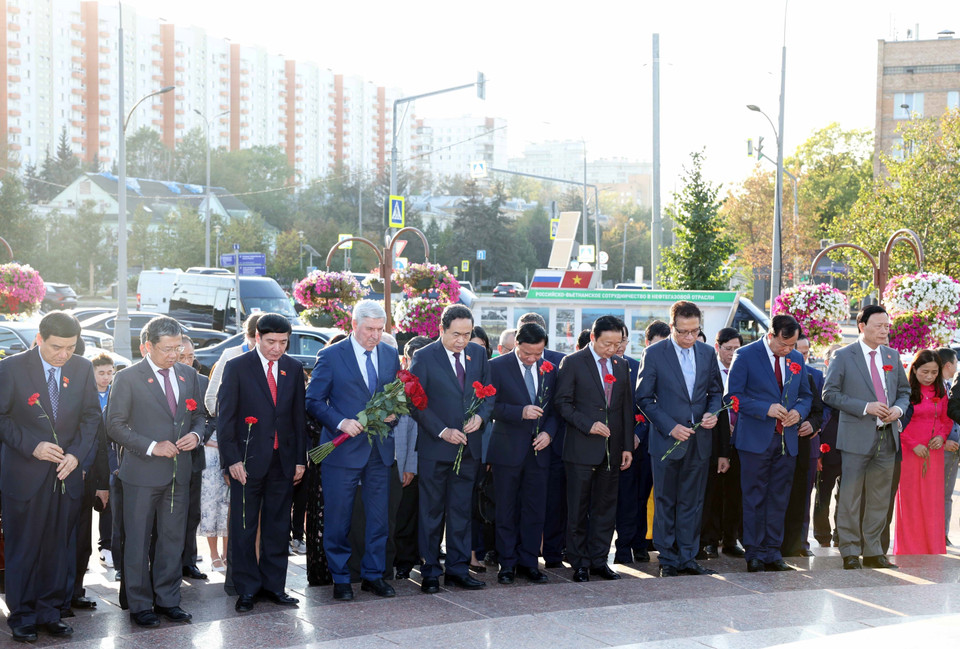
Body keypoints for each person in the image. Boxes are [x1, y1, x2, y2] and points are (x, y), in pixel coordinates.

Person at [0, 312, 101, 642]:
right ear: (40, 339)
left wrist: (76, 455)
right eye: (57, 347)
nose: (64, 355)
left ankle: (49, 611)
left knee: (59, 548)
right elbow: (2, 418)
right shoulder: (11, 368)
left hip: (66, 475)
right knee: (24, 548)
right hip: (25, 475)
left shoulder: (82, 368)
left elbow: (90, 418)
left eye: (71, 348)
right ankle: (22, 614)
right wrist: (33, 446)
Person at [106, 316, 206, 627]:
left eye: (178, 347)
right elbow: (114, 426)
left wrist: (197, 435)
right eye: (167, 349)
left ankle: (168, 600)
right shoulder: (128, 378)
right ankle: (140, 606)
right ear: (147, 346)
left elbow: (200, 416)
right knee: (136, 540)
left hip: (179, 472)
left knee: (173, 540)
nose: (174, 355)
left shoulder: (188, 375)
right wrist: (151, 446)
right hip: (141, 473)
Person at [306, 300, 400, 601]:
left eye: (380, 329)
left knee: (378, 518)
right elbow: (313, 401)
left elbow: (393, 395)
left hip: (379, 451)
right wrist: (341, 421)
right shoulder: (331, 356)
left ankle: (374, 575)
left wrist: (393, 413)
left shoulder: (389, 353)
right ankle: (341, 578)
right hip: (342, 451)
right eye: (369, 329)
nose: (375, 335)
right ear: (354, 325)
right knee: (339, 517)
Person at [218, 313, 306, 613]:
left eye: (283, 342)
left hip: (283, 463)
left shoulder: (293, 369)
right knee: (244, 528)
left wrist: (299, 459)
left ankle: (274, 587)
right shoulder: (237, 367)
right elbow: (225, 419)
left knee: (277, 527)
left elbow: (297, 417)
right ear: (257, 337)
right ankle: (246, 589)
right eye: (271, 342)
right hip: (247, 464)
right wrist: (230, 461)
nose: (277, 348)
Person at [409, 304, 494, 593]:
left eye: (467, 334)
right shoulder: (423, 357)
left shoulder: (479, 353)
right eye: (456, 334)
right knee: (431, 513)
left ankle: (458, 569)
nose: (461, 340)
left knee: (461, 511)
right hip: (436, 448)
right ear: (441, 330)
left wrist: (481, 417)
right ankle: (431, 570)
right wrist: (442, 431)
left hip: (469, 449)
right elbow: (415, 401)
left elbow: (489, 393)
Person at [636, 302, 722, 578]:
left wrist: (711, 413)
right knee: (665, 501)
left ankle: (688, 556)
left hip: (699, 441)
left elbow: (716, 392)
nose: (689, 338)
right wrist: (669, 427)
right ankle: (668, 558)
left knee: (692, 501)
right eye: (683, 332)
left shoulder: (708, 353)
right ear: (672, 326)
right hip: (666, 441)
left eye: (694, 331)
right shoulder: (654, 354)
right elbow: (644, 398)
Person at [822, 305, 910, 570]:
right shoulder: (843, 356)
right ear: (862, 326)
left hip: (887, 435)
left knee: (880, 496)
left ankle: (873, 551)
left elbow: (904, 392)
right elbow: (829, 394)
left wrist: (898, 409)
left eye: (887, 326)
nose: (885, 330)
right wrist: (865, 407)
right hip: (855, 435)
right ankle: (849, 550)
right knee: (850, 495)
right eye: (879, 326)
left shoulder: (892, 356)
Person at [728, 315, 811, 572]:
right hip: (754, 439)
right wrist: (766, 408)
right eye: (784, 345)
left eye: (792, 345)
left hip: (786, 439)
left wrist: (799, 411)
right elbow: (733, 397)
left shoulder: (796, 358)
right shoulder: (745, 355)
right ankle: (753, 552)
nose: (788, 350)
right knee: (754, 496)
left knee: (779, 496)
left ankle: (773, 551)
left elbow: (806, 396)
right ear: (771, 335)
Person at [555, 315, 633, 582]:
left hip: (611, 449)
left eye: (617, 344)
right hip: (581, 448)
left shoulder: (621, 366)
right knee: (577, 508)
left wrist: (625, 446)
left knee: (605, 508)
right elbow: (563, 404)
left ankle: (600, 560)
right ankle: (578, 562)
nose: (612, 350)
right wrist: (588, 425)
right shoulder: (573, 363)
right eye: (606, 344)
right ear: (592, 338)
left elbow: (625, 408)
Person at [488, 322, 558, 584]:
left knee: (534, 508)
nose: (533, 359)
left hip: (540, 450)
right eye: (528, 353)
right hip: (507, 448)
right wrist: (519, 412)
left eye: (538, 353)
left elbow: (555, 408)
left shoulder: (549, 367)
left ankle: (529, 562)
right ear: (516, 344)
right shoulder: (497, 366)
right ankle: (506, 564)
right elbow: (489, 406)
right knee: (506, 508)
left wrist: (548, 433)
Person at [515, 312, 567, 569]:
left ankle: (554, 554)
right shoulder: (508, 363)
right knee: (521, 505)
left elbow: (562, 404)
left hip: (552, 447)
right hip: (517, 448)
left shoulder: (560, 362)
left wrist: (549, 432)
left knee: (554, 503)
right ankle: (524, 554)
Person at [64, 354, 113, 616]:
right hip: (61, 478)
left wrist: (102, 484)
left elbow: (101, 447)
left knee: (82, 541)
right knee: (61, 540)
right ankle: (58, 594)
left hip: (88, 482)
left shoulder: (92, 403)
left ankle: (76, 591)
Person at [893, 350, 950, 555]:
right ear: (914, 369)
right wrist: (912, 444)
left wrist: (942, 437)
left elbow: (946, 419)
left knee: (933, 500)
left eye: (934, 373)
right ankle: (910, 548)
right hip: (910, 452)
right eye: (925, 371)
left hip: (933, 452)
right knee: (910, 500)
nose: (929, 377)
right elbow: (897, 424)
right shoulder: (904, 392)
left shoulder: (941, 392)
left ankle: (933, 547)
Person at [699, 327, 744, 560]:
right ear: (718, 347)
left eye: (737, 349)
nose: (733, 353)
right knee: (713, 493)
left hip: (741, 440)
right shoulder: (711, 370)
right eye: (729, 349)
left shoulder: (745, 369)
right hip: (715, 440)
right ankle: (709, 539)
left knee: (735, 493)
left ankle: (730, 540)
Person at [781, 332, 823, 558]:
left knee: (801, 496)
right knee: (778, 496)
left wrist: (812, 425)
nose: (803, 358)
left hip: (804, 444)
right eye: (800, 353)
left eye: (807, 353)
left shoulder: (811, 375)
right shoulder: (774, 376)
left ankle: (798, 544)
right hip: (777, 444)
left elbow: (819, 409)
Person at [393, 336, 430, 579]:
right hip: (404, 463)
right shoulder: (398, 387)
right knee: (402, 514)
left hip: (427, 462)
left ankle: (418, 555)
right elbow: (403, 431)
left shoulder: (432, 384)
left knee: (421, 514)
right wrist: (406, 466)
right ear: (405, 360)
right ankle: (402, 561)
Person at [613, 323, 649, 565]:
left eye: (624, 341)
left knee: (634, 498)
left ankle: (633, 545)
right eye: (615, 340)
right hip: (602, 444)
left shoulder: (637, 368)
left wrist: (637, 433)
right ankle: (615, 548)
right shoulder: (592, 367)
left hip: (636, 446)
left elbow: (648, 406)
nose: (619, 346)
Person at [179, 337, 211, 581]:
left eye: (191, 356)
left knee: (191, 513)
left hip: (193, 457)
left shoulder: (201, 381)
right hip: (161, 460)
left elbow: (213, 416)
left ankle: (188, 561)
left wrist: (199, 436)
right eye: (182, 357)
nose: (187, 361)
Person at [814, 344, 843, 547]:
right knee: (823, 493)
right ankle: (822, 534)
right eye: (835, 358)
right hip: (826, 446)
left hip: (849, 446)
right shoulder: (819, 383)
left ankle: (841, 533)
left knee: (846, 494)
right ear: (826, 362)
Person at [940, 347, 960, 546]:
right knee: (941, 494)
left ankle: (942, 534)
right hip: (942, 447)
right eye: (955, 362)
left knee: (947, 494)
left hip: (954, 447)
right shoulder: (936, 387)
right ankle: (938, 534)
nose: (957, 367)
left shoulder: (947, 385)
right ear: (948, 364)